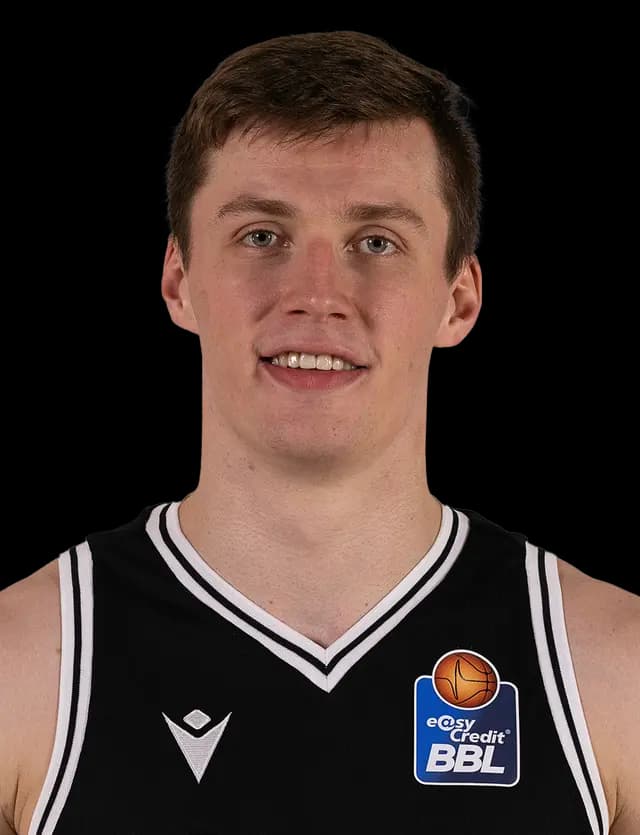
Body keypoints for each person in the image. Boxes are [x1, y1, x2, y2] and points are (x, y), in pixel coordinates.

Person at [0, 29, 637, 835]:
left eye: (377, 241)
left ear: (459, 299)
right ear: (179, 279)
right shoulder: (27, 664)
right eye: (262, 235)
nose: (317, 294)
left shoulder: (609, 667)